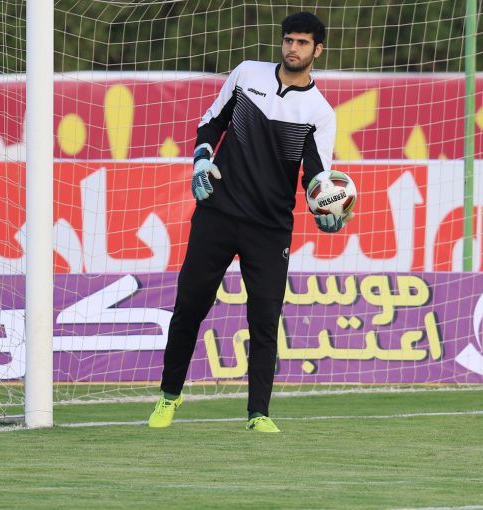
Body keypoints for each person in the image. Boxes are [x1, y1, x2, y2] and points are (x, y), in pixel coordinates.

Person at [148, 11, 352, 433]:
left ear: (318, 50)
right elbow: (211, 123)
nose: (292, 48)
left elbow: (316, 177)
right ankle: (169, 396)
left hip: (270, 228)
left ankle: (258, 414)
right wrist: (201, 160)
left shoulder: (320, 112)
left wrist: (327, 213)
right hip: (218, 213)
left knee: (264, 320)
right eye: (288, 40)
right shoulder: (246, 75)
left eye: (302, 42)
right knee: (189, 306)